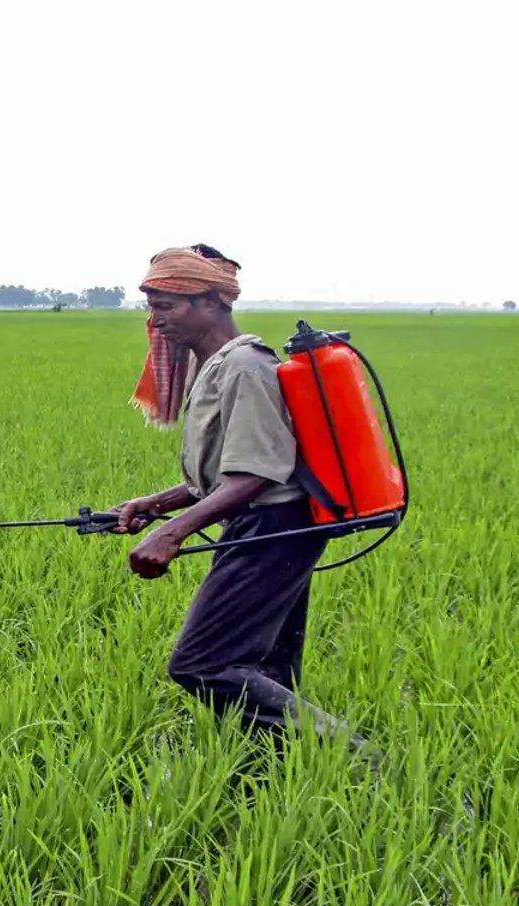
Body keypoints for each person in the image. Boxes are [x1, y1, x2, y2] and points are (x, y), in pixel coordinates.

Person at [109, 244, 370, 756]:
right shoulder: (215, 366)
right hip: (269, 526)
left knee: (203, 664)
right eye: (151, 306)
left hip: (273, 530)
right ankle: (278, 776)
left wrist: (172, 532)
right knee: (265, 668)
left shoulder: (245, 367)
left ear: (211, 303)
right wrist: (157, 504)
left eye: (167, 305)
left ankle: (359, 760)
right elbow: (230, 468)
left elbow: (256, 474)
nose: (155, 321)